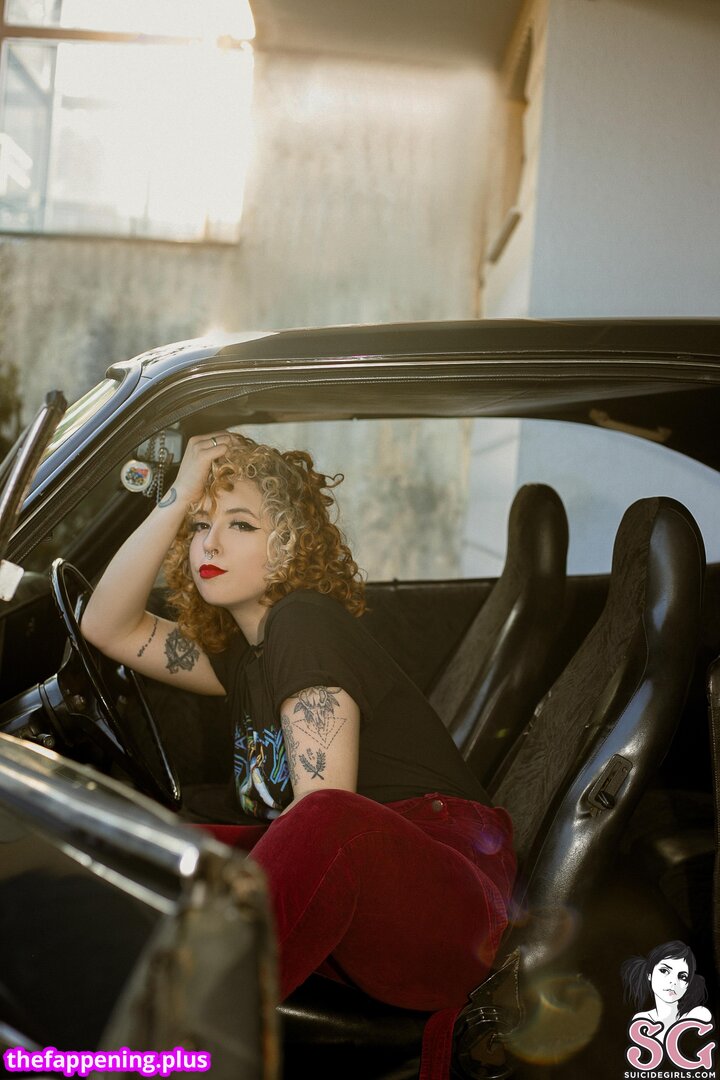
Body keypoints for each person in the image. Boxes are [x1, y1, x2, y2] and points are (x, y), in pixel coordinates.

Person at [81, 431, 516, 1075]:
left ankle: (157, 1046)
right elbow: (106, 626)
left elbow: (324, 808)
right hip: (362, 903)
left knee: (317, 818)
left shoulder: (303, 622)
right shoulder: (244, 656)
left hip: (448, 909)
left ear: (287, 544)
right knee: (149, 843)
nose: (210, 544)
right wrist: (176, 495)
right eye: (200, 526)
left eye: (241, 524)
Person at [621, 940, 712, 1040]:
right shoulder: (641, 1021)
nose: (673, 981)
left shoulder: (699, 1015)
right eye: (664, 971)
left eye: (682, 977)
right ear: (649, 974)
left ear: (688, 985)